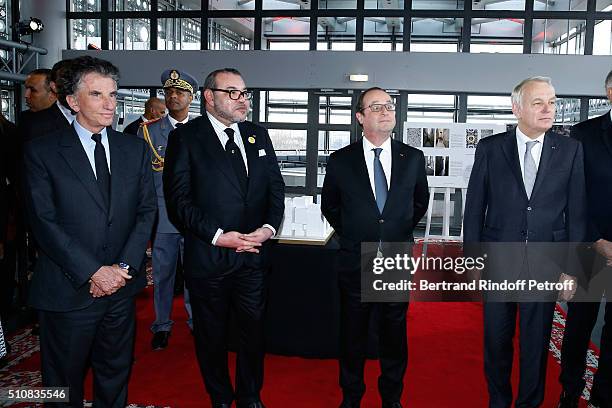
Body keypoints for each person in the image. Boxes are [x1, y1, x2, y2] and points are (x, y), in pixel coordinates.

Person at [23, 56, 156, 407]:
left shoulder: (134, 149)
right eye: (97, 95)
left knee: (115, 374)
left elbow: (146, 213)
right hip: (68, 290)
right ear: (72, 101)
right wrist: (94, 272)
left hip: (121, 289)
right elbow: (43, 221)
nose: (109, 104)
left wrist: (122, 269)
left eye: (113, 94)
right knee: (62, 385)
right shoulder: (42, 152)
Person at [163, 68, 285, 408]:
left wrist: (268, 229)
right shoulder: (186, 138)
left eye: (244, 93)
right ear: (209, 96)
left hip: (254, 255)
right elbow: (179, 202)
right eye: (233, 92)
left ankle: (249, 395)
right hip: (210, 256)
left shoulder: (257, 135)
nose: (242, 99)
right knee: (211, 335)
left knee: (253, 333)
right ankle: (219, 396)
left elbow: (275, 188)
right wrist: (218, 236)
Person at [463, 76, 586, 408]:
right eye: (539, 103)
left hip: (547, 261)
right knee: (496, 340)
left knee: (536, 342)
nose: (549, 110)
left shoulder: (571, 150)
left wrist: (571, 269)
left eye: (553, 102)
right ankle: (499, 401)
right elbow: (474, 208)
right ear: (516, 108)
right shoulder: (491, 148)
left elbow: (577, 213)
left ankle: (529, 403)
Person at [321, 87, 429, 408]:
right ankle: (351, 397)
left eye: (390, 106)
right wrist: (356, 234)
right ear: (360, 117)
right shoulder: (341, 161)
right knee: (353, 335)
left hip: (394, 258)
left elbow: (419, 202)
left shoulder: (413, 158)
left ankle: (391, 398)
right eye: (376, 106)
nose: (385, 111)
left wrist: (395, 232)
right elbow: (331, 206)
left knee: (394, 334)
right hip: (356, 259)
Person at [558, 71, 612, 408]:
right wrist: (598, 239)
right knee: (580, 323)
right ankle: (571, 389)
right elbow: (572, 195)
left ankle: (604, 396)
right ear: (610, 91)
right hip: (589, 247)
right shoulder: (583, 135)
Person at [139, 69, 196, 350]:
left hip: (195, 217)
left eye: (180, 92)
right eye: (169, 92)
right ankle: (161, 324)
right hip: (163, 217)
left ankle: (195, 320)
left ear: (192, 97)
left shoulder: (202, 131)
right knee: (162, 274)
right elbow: (140, 177)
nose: (174, 96)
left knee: (195, 273)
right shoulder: (149, 131)